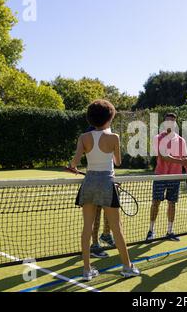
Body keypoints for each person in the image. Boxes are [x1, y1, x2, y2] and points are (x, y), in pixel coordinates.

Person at [70, 99, 140, 281]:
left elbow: (74, 163)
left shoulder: (83, 138)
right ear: (109, 118)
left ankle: (87, 270)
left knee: (87, 228)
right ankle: (127, 267)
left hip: (89, 182)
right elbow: (117, 162)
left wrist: (73, 167)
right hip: (106, 183)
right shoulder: (114, 137)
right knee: (117, 228)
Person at [146, 113, 187, 242]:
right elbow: (163, 156)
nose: (170, 122)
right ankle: (151, 231)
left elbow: (186, 158)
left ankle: (170, 232)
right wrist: (182, 163)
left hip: (175, 177)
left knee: (172, 204)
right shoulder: (157, 138)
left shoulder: (181, 140)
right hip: (160, 175)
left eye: (172, 120)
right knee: (155, 203)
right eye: (167, 120)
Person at [84, 126, 116, 259]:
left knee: (108, 212)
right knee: (95, 216)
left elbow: (112, 163)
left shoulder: (108, 136)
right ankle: (95, 245)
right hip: (97, 182)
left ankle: (106, 235)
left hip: (106, 181)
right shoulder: (92, 134)